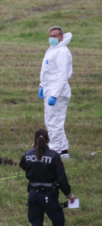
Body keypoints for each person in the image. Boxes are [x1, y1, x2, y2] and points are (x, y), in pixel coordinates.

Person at [20, 129, 76, 226]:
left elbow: (23, 165)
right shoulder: (54, 157)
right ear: (48, 140)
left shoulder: (27, 155)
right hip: (49, 196)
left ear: (34, 141)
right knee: (58, 222)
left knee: (36, 224)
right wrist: (69, 195)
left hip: (33, 194)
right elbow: (62, 179)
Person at [39, 26, 73, 159]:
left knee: (54, 123)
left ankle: (55, 152)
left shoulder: (62, 52)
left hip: (57, 91)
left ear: (61, 37)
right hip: (50, 89)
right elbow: (48, 71)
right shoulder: (53, 50)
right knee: (53, 121)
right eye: (51, 36)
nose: (52, 38)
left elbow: (62, 76)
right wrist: (42, 85)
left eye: (55, 36)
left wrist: (54, 94)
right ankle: (63, 151)